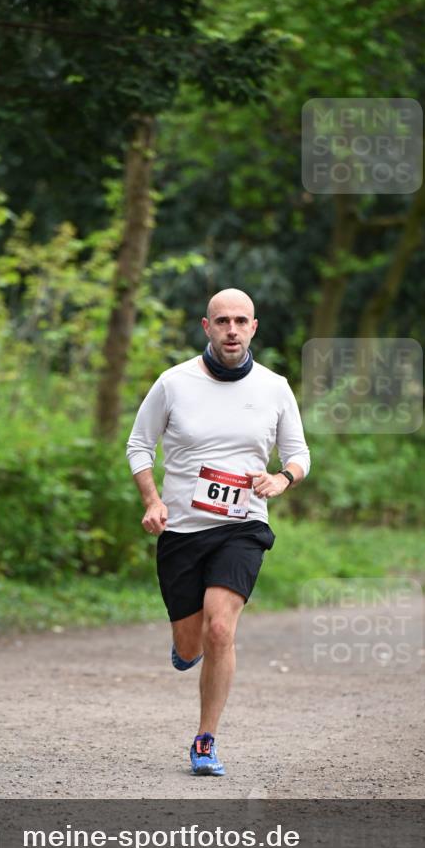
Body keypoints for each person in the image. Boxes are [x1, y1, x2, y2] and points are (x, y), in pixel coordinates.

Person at [126, 289, 310, 776]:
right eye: (222, 321)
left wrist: (281, 478)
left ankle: (205, 741)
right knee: (192, 646)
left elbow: (299, 454)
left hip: (243, 526)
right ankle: (186, 648)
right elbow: (139, 446)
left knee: (221, 629)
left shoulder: (274, 387)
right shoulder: (173, 383)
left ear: (254, 327)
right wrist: (152, 500)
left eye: (241, 321)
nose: (232, 329)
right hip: (183, 529)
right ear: (206, 327)